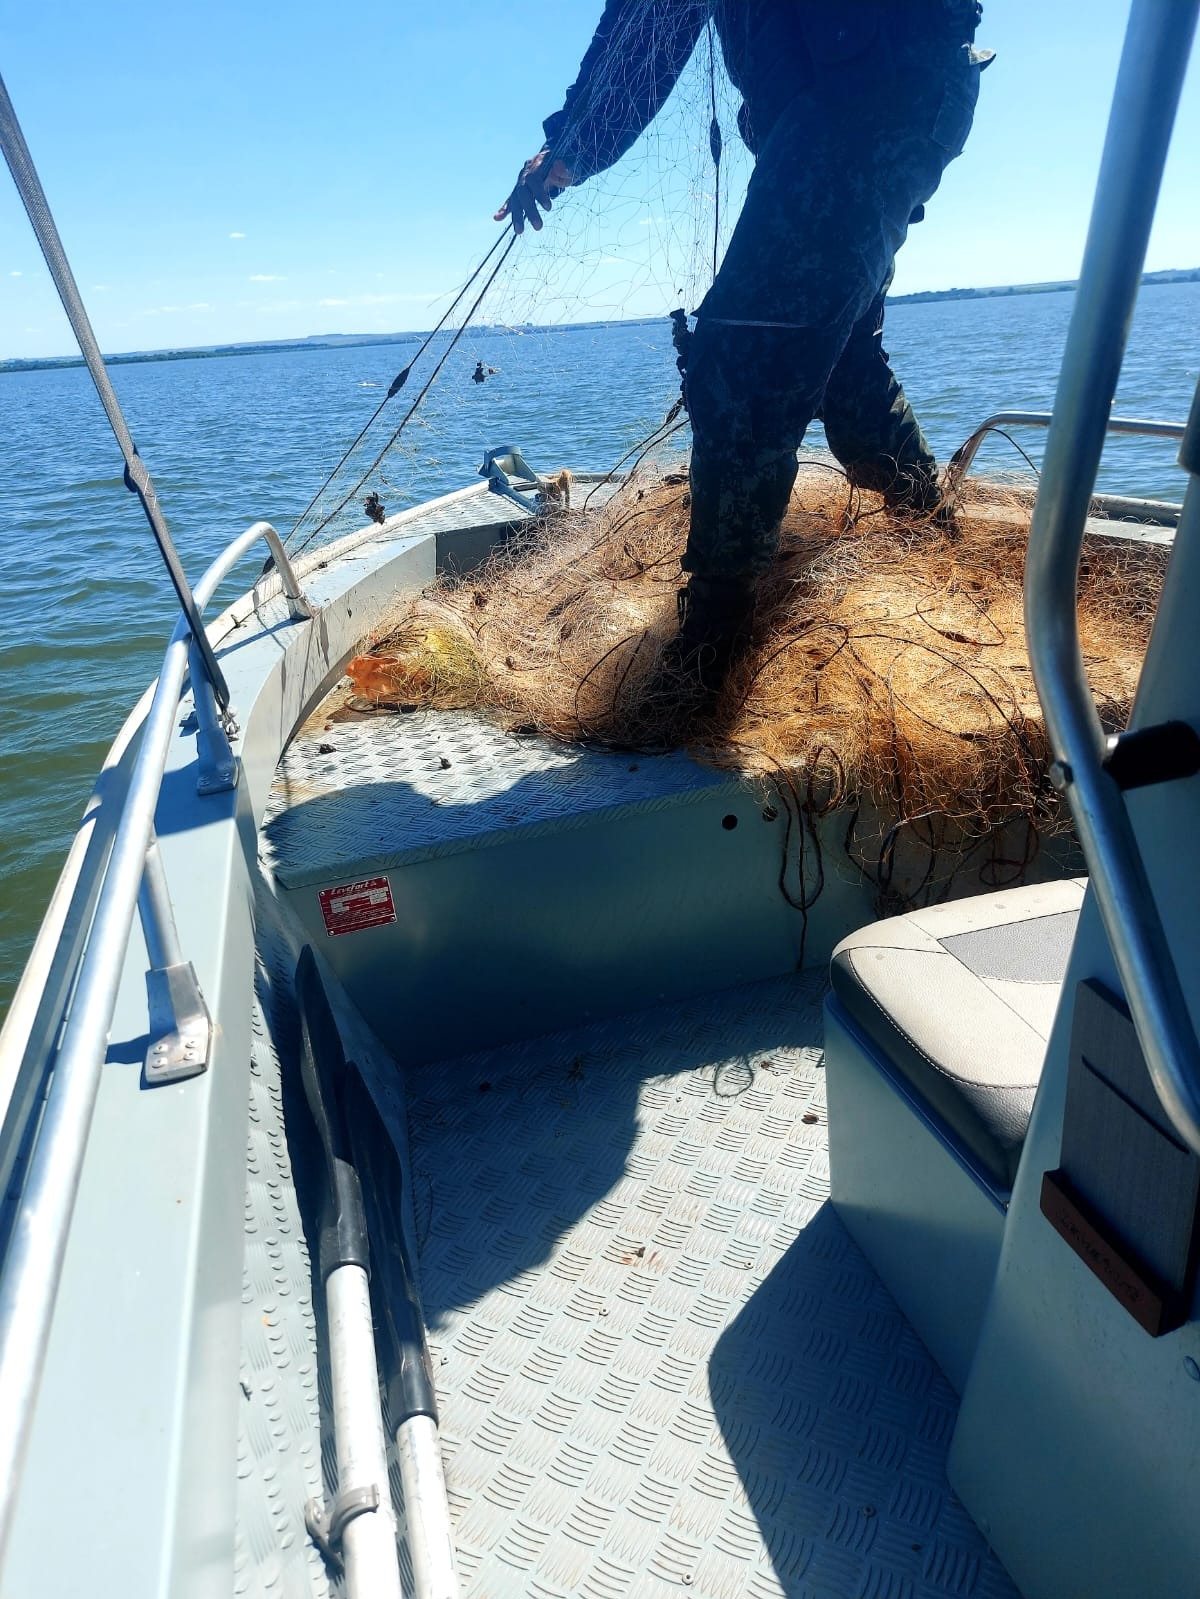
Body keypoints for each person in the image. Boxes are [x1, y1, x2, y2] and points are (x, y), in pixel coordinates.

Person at [496, 1, 992, 696]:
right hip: (872, 94)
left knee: (738, 367)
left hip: (862, 92)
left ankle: (706, 661)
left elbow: (656, 20)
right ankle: (939, 542)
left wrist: (574, 146)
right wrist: (573, 145)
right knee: (842, 367)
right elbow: (655, 20)